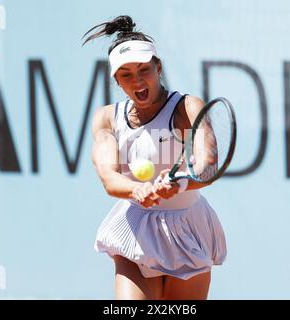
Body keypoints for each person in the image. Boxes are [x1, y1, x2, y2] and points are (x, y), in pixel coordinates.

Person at [83, 15, 226, 300]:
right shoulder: (106, 118)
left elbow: (208, 164)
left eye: (144, 70)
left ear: (158, 67)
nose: (137, 80)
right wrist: (138, 189)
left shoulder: (187, 107)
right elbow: (108, 177)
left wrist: (180, 184)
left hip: (188, 228)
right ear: (116, 80)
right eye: (126, 74)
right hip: (136, 225)